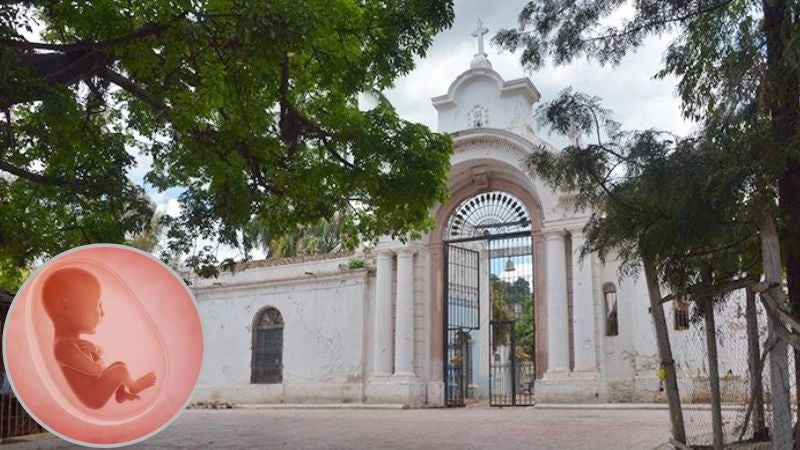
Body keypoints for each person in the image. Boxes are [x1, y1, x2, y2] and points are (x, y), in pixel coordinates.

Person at [41, 267, 156, 409]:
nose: (103, 313)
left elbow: (99, 353)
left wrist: (95, 349)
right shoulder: (63, 346)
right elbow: (95, 370)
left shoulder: (74, 341)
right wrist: (101, 361)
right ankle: (133, 386)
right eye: (97, 305)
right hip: (92, 396)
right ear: (63, 306)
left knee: (119, 365)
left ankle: (121, 393)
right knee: (119, 370)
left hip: (95, 386)